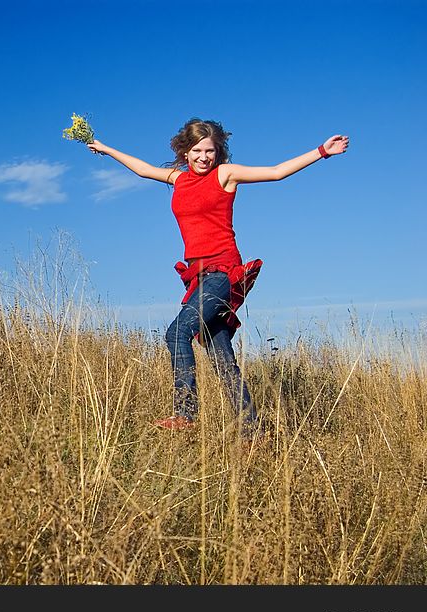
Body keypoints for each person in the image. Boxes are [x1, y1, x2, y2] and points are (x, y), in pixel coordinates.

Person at [86, 118, 349, 437]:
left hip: (222, 272)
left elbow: (276, 172)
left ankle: (185, 413)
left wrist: (322, 151)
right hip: (198, 276)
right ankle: (252, 433)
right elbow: (142, 169)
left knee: (176, 334)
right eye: (197, 150)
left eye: (209, 151)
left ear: (218, 152)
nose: (203, 157)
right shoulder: (178, 179)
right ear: (186, 151)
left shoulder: (225, 174)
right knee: (221, 355)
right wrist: (105, 148)